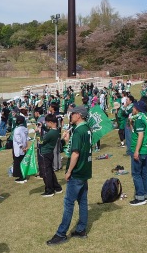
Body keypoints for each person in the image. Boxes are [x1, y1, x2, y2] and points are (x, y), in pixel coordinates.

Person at [46, 105, 92, 246]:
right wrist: (67, 140)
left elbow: (75, 153)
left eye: (72, 114)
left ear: (79, 115)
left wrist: (69, 171)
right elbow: (77, 148)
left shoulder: (79, 131)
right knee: (82, 201)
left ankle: (61, 234)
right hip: (85, 170)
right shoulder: (86, 129)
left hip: (77, 172)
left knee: (69, 203)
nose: (70, 116)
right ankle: (81, 229)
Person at [129, 99, 147, 205]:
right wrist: (131, 123)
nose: (132, 109)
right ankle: (146, 195)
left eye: (134, 107)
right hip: (145, 149)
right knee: (144, 173)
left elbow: (140, 135)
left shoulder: (139, 119)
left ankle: (140, 197)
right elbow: (134, 131)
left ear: (137, 109)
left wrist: (136, 151)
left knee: (136, 174)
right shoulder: (144, 117)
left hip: (140, 149)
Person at [38, 114, 63, 197]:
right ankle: (57, 187)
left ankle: (49, 190)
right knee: (50, 171)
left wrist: (38, 132)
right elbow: (48, 133)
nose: (46, 124)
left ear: (51, 122)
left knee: (46, 173)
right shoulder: (56, 131)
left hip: (45, 154)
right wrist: (43, 127)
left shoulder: (51, 133)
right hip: (49, 153)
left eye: (47, 122)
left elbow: (41, 141)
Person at [12, 115, 28, 184]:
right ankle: (23, 175)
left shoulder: (17, 129)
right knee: (23, 162)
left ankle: (21, 177)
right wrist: (26, 147)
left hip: (19, 148)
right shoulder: (25, 129)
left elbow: (18, 140)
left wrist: (22, 147)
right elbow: (26, 138)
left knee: (18, 162)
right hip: (24, 147)